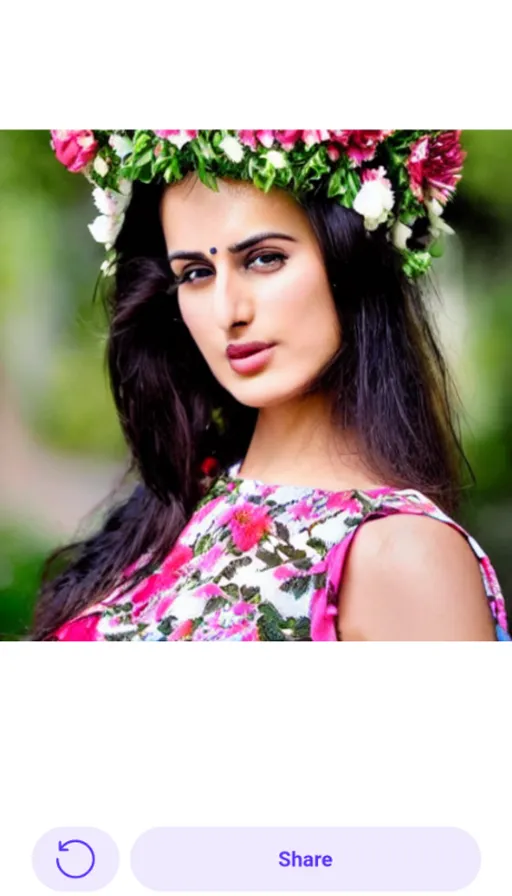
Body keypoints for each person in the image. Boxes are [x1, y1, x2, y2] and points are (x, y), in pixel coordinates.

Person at [31, 129, 510, 641]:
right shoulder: (181, 501)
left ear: (352, 257)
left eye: (263, 259)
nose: (227, 312)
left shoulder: (403, 556)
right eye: (195, 272)